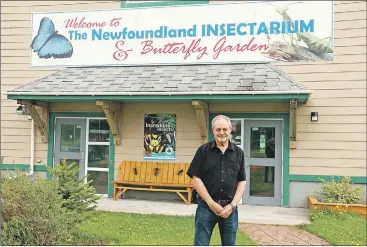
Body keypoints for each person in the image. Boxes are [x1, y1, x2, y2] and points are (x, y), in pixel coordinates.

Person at [187, 115, 246, 246]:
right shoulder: (203, 151)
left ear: (230, 129)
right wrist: (210, 202)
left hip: (230, 209)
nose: (221, 132)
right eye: (218, 129)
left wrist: (232, 206)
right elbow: (196, 179)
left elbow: (242, 181)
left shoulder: (239, 153)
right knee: (200, 244)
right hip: (206, 208)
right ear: (213, 130)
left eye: (224, 129)